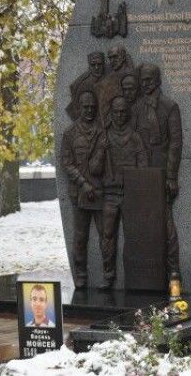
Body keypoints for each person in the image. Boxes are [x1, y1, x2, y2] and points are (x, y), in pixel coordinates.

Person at [134, 63, 182, 278]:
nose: (145, 85)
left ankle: (173, 273)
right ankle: (146, 274)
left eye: (149, 80)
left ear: (158, 81)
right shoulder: (136, 108)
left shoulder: (169, 107)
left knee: (166, 225)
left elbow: (175, 143)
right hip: (140, 175)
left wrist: (171, 175)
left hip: (162, 174)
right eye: (142, 80)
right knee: (142, 225)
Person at [100, 96, 148, 289]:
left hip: (130, 194)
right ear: (111, 114)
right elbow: (95, 168)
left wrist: (129, 176)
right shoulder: (105, 138)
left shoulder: (135, 138)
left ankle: (134, 277)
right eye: (116, 112)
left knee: (133, 235)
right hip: (110, 195)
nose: (119, 115)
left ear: (127, 114)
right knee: (108, 235)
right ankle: (108, 275)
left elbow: (143, 166)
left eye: (122, 112)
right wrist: (102, 152)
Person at [61, 91, 106, 288]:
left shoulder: (102, 131)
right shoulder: (70, 134)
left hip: (100, 191)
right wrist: (83, 183)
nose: (89, 110)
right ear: (78, 108)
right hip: (79, 192)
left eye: (92, 107)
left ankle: (108, 275)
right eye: (85, 107)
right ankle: (80, 274)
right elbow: (67, 164)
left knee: (107, 236)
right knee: (80, 236)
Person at [66, 52, 106, 120]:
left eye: (99, 64)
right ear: (89, 66)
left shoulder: (110, 79)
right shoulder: (83, 85)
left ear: (104, 65)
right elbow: (75, 109)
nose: (97, 67)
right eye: (93, 65)